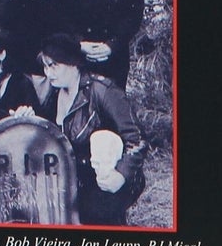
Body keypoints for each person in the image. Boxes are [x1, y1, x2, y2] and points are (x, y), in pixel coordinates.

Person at [36, 32, 145, 226]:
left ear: (73, 63)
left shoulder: (103, 90)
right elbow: (46, 136)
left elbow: (137, 139)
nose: (48, 73)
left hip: (108, 174)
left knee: (92, 212)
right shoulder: (52, 93)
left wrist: (121, 174)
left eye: (53, 66)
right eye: (45, 66)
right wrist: (28, 116)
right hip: (75, 176)